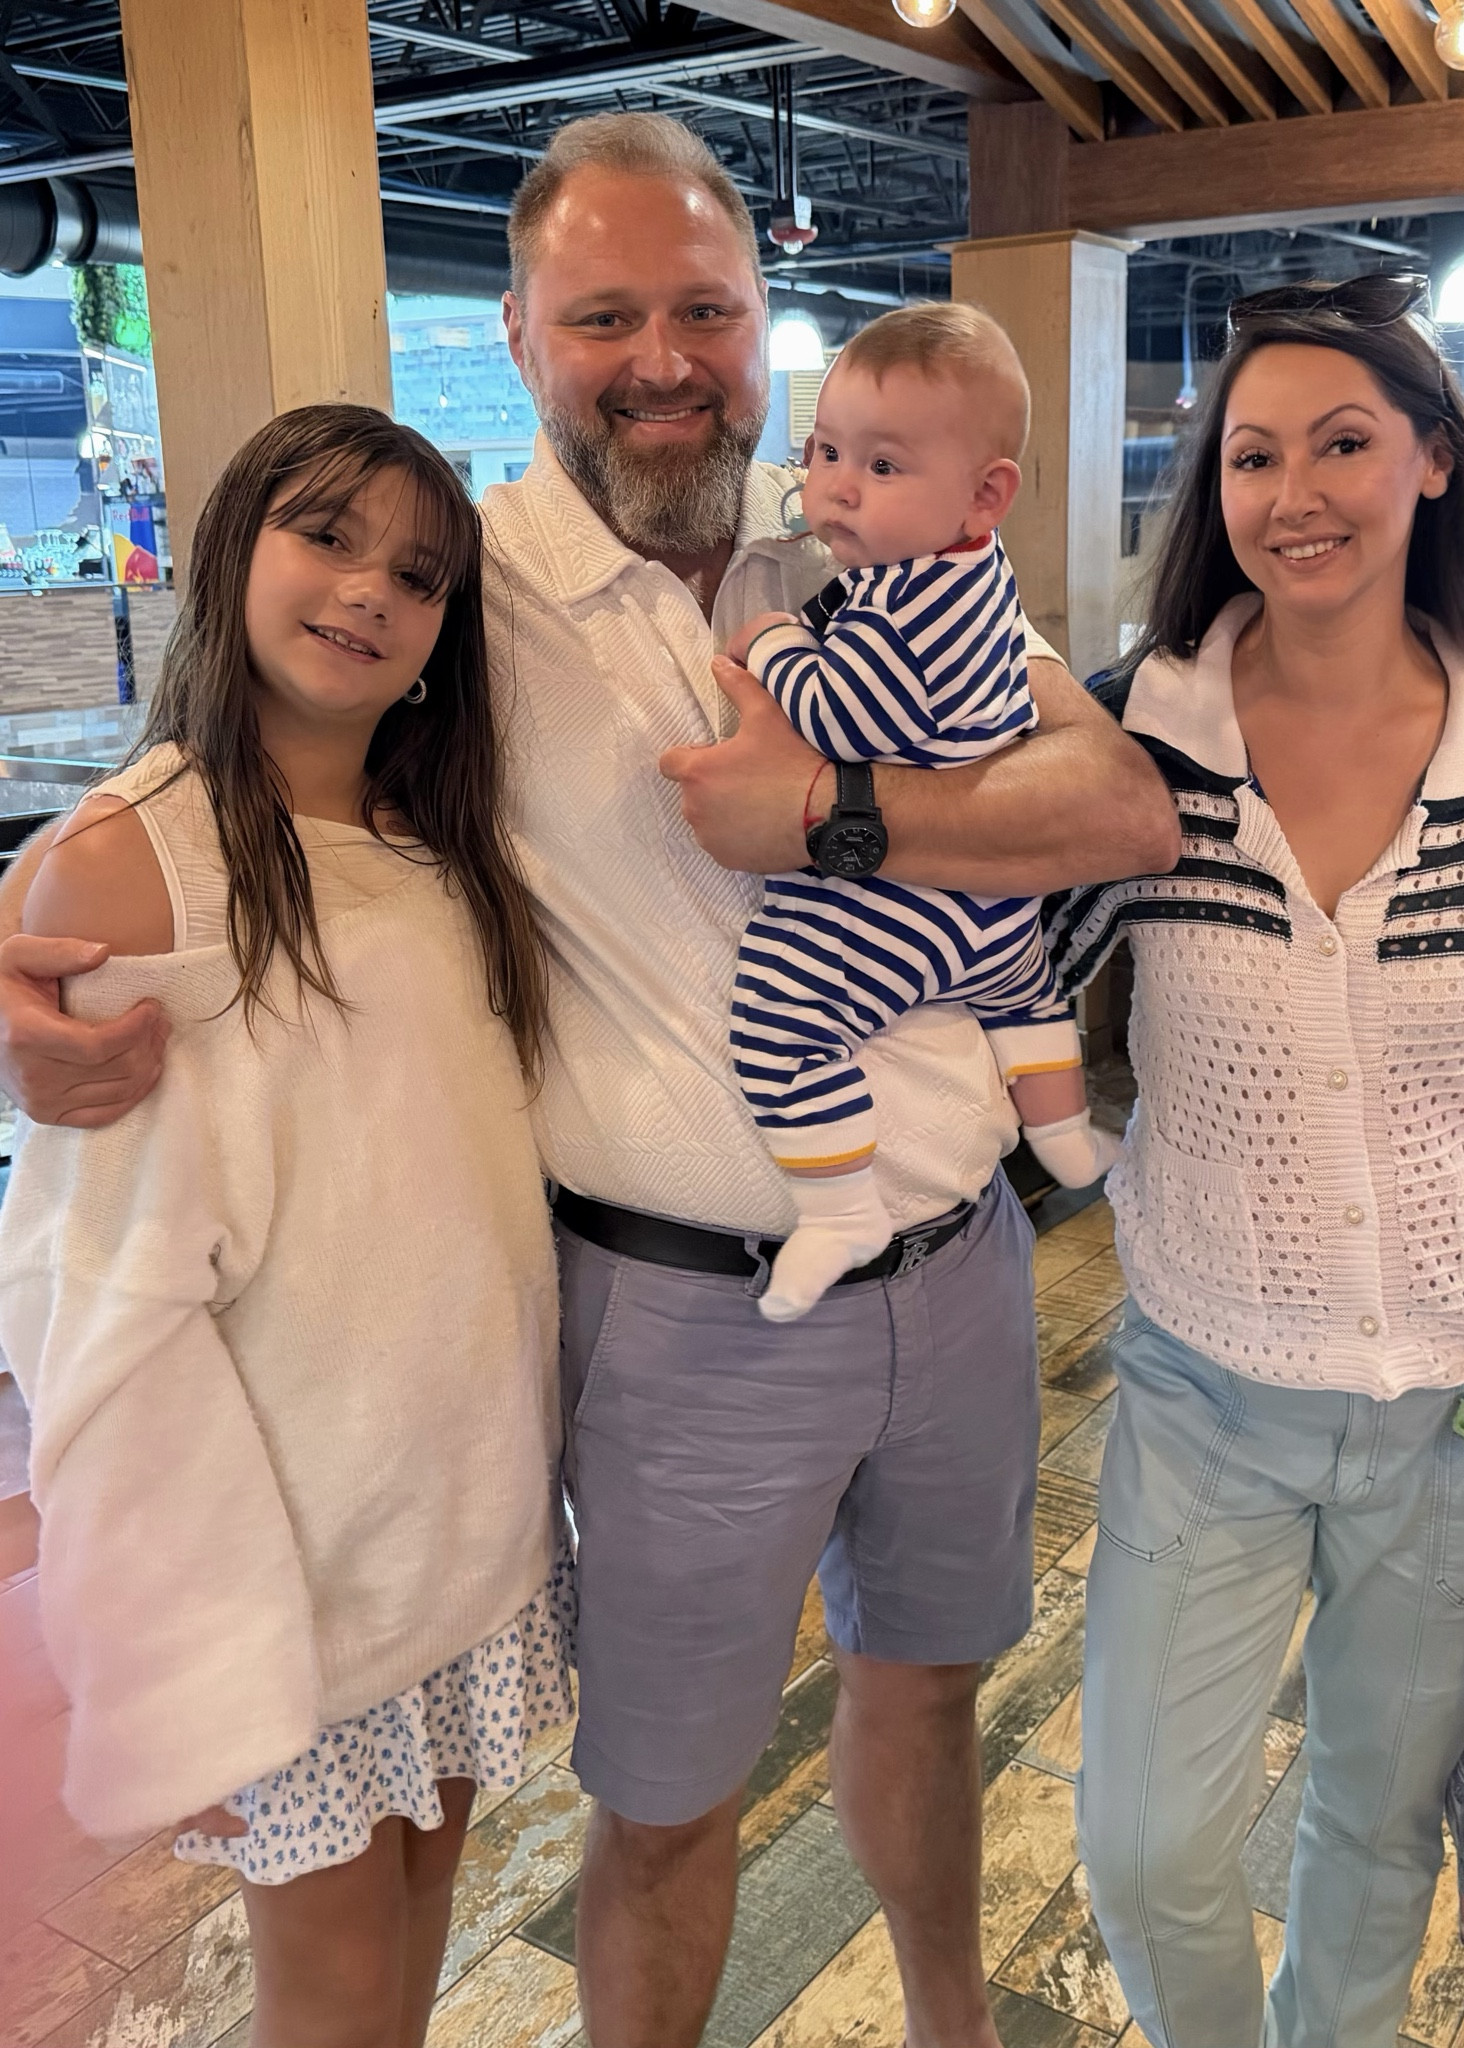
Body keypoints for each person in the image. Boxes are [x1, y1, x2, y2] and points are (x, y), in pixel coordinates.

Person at [0, 114, 1177, 2048]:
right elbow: (229, 792)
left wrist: (836, 808)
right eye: (603, 312)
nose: (661, 356)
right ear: (526, 334)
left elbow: (1114, 794)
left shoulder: (870, 550)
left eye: (704, 309)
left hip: (961, 1264)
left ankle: (957, 2023)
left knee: (932, 1684)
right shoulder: (471, 607)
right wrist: (23, 939)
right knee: (666, 1802)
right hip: (679, 1313)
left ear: (762, 322)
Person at [1044, 277, 1464, 2048]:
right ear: (1214, 488)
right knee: (1150, 1836)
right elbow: (1004, 968)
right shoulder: (1136, 729)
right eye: (1253, 454)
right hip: (1203, 1378)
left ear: (1430, 461)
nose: (1295, 490)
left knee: (1373, 1815)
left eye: (1341, 441)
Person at [0, 405, 564, 2048]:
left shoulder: (443, 839)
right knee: (326, 1992)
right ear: (234, 540)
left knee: (414, 1935)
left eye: (419, 573)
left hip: (460, 1517)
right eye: (328, 536)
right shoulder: (139, 859)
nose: (370, 592)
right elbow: (90, 1285)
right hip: (288, 1565)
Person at [724, 302, 1121, 1321]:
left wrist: (770, 642)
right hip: (994, 923)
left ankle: (838, 1206)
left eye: (882, 467)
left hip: (907, 908)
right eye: (823, 452)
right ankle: (1063, 1132)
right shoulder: (967, 571)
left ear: (984, 494)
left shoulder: (902, 602)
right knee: (1024, 1002)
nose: (836, 487)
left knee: (778, 1020)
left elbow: (839, 710)